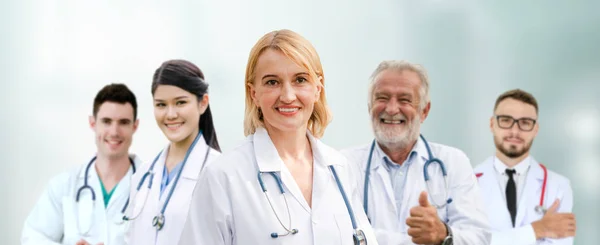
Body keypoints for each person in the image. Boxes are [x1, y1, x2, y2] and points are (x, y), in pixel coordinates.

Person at [178, 29, 378, 245]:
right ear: (253, 93)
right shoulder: (223, 176)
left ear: (317, 89)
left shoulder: (339, 169)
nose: (288, 96)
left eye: (300, 80)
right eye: (272, 82)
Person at [341, 60, 491, 245]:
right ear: (369, 107)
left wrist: (443, 233)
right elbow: (337, 233)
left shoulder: (453, 162)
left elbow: (479, 237)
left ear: (424, 111)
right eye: (382, 98)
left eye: (404, 100)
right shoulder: (343, 164)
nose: (392, 109)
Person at [21, 83, 142, 245]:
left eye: (124, 122)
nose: (114, 132)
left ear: (135, 126)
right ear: (93, 123)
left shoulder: (151, 187)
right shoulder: (64, 185)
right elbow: (32, 238)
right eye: (106, 121)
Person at [123, 59, 222, 245]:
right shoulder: (143, 175)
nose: (170, 114)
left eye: (180, 102)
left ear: (203, 103)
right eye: (161, 105)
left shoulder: (220, 172)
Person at [474, 89, 576, 244]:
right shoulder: (467, 182)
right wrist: (537, 230)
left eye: (525, 123)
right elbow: (465, 241)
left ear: (535, 130)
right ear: (492, 124)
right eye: (506, 120)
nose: (515, 131)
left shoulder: (559, 186)